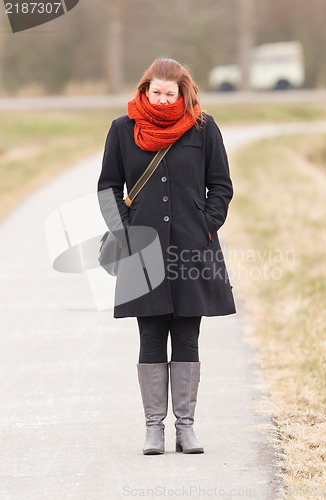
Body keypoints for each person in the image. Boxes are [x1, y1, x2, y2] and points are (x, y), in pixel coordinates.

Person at [97, 58, 236, 455]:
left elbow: (221, 186)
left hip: (193, 247)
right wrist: (126, 232)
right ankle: (154, 429)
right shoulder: (122, 130)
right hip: (143, 250)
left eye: (169, 93)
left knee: (188, 335)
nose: (161, 100)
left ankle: (186, 429)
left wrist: (207, 225)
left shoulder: (203, 128)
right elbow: (108, 188)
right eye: (154, 92)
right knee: (152, 334)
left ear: (182, 92)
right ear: (144, 90)